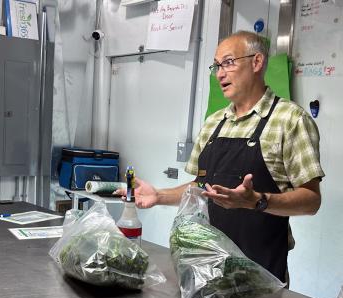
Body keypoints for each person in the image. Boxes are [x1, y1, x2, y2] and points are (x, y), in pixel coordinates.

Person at [118, 31, 324, 283]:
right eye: (216, 66)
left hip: (262, 274)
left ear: (257, 62)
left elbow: (311, 200)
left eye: (228, 62)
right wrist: (159, 196)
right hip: (207, 269)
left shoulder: (291, 120)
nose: (219, 74)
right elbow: (201, 187)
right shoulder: (214, 123)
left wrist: (257, 201)